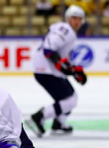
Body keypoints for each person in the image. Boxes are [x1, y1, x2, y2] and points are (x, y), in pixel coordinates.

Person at [26, 5, 88, 138]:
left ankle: (59, 123)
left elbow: (59, 56)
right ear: (68, 19)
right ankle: (38, 118)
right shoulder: (66, 29)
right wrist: (69, 69)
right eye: (74, 18)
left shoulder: (65, 30)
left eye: (79, 19)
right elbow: (49, 50)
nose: (76, 21)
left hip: (45, 69)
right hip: (46, 70)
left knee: (69, 98)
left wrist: (72, 70)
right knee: (70, 100)